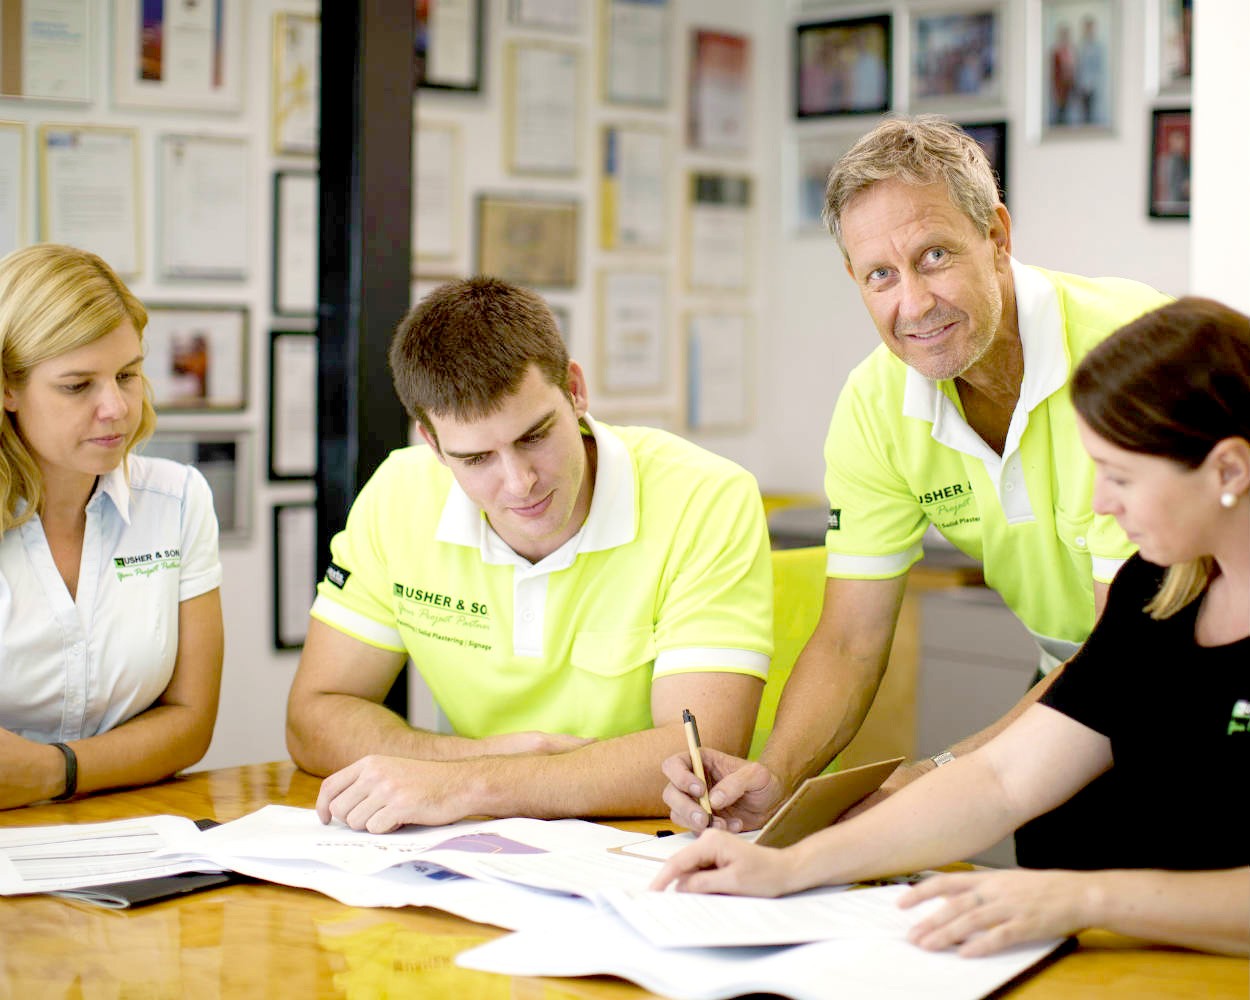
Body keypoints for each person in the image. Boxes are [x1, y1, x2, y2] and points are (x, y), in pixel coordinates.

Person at [652, 296, 1250, 960]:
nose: (1101, 503)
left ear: (1228, 470)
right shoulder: (1155, 592)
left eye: (1121, 477)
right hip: (1149, 965)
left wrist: (1081, 898)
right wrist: (789, 866)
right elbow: (999, 780)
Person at [660, 115, 1172, 870]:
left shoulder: (1128, 352)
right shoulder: (874, 406)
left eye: (934, 256)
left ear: (996, 236)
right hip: (1063, 674)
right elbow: (851, 638)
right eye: (881, 275)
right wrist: (778, 778)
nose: (914, 303)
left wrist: (936, 776)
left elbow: (1117, 651)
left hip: (1183, 671)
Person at [286, 276, 771, 833]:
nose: (519, 483)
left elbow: (701, 755)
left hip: (662, 844)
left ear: (575, 390)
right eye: (476, 460)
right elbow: (313, 716)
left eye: (534, 436)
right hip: (486, 852)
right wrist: (470, 761)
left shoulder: (707, 497)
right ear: (431, 441)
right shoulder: (397, 493)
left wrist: (473, 784)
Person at [0, 244, 224, 809]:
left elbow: (190, 724)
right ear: (8, 388)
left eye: (127, 375)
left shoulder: (176, 501)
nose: (116, 408)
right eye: (78, 385)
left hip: (134, 824)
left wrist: (56, 771)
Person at [1074, 16, 1106, 126]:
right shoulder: (1080, 45)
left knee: (1092, 111)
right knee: (1083, 112)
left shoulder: (1097, 46)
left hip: (1093, 84)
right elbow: (1078, 66)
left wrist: (1093, 82)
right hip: (1082, 84)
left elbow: (1098, 66)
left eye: (1090, 27)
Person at [1049, 23, 1076, 125]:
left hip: (1069, 85)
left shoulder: (1072, 51)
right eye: (1063, 34)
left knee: (1068, 110)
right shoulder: (1056, 52)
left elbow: (1073, 69)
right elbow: (1054, 72)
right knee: (1060, 110)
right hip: (1059, 86)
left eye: (1066, 34)